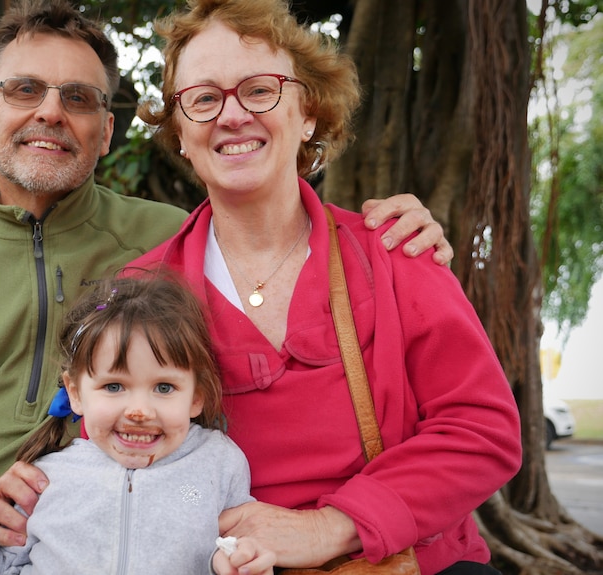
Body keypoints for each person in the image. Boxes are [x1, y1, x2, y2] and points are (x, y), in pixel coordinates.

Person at [0, 0, 454, 573]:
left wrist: (399, 234)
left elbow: (269, 218)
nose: (50, 112)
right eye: (24, 89)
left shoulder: (168, 248)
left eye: (78, 98)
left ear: (107, 132)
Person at [123, 1, 521, 574]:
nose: (232, 116)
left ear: (308, 112)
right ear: (181, 131)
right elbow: (112, 443)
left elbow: (483, 429)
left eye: (259, 90)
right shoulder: (144, 291)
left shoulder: (396, 254)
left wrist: (329, 527)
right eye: (204, 99)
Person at [0, 275, 276, 574]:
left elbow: (230, 546)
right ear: (75, 393)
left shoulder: (218, 463)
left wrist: (236, 562)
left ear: (196, 395)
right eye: (114, 386)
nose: (139, 411)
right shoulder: (45, 477)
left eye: (164, 387)